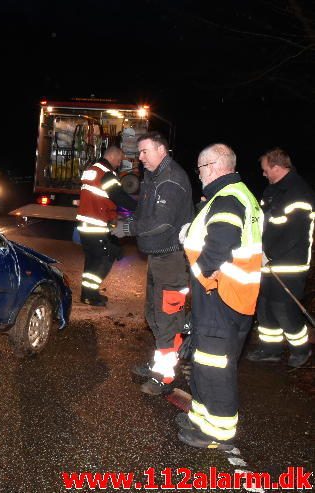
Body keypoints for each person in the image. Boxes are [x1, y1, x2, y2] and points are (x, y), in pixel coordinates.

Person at [179, 143, 262, 449]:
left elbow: (219, 246)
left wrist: (200, 276)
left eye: (200, 169)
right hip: (232, 297)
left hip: (221, 296)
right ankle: (201, 417)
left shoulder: (227, 198)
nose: (199, 175)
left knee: (215, 365)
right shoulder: (243, 195)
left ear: (212, 167)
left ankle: (219, 431)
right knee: (204, 360)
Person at [112, 131, 194, 395]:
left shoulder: (171, 180)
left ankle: (164, 377)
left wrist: (128, 228)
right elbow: (144, 211)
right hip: (158, 258)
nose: (141, 157)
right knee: (154, 315)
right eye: (139, 152)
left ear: (162, 150)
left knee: (168, 319)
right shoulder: (153, 176)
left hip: (172, 260)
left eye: (145, 151)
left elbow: (162, 222)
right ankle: (160, 362)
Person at [246, 148, 314, 368]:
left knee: (285, 309)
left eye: (266, 170)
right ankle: (270, 349)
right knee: (265, 307)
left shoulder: (299, 193)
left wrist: (269, 254)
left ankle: (301, 350)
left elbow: (295, 233)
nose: (264, 174)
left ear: (277, 167)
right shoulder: (272, 192)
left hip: (289, 265)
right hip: (267, 261)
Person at [76, 146, 137, 306]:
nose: (119, 164)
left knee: (92, 260)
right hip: (98, 224)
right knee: (105, 258)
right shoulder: (106, 174)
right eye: (119, 160)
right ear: (112, 156)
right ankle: (90, 295)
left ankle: (88, 294)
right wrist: (141, 208)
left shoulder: (92, 170)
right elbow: (119, 196)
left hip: (86, 224)